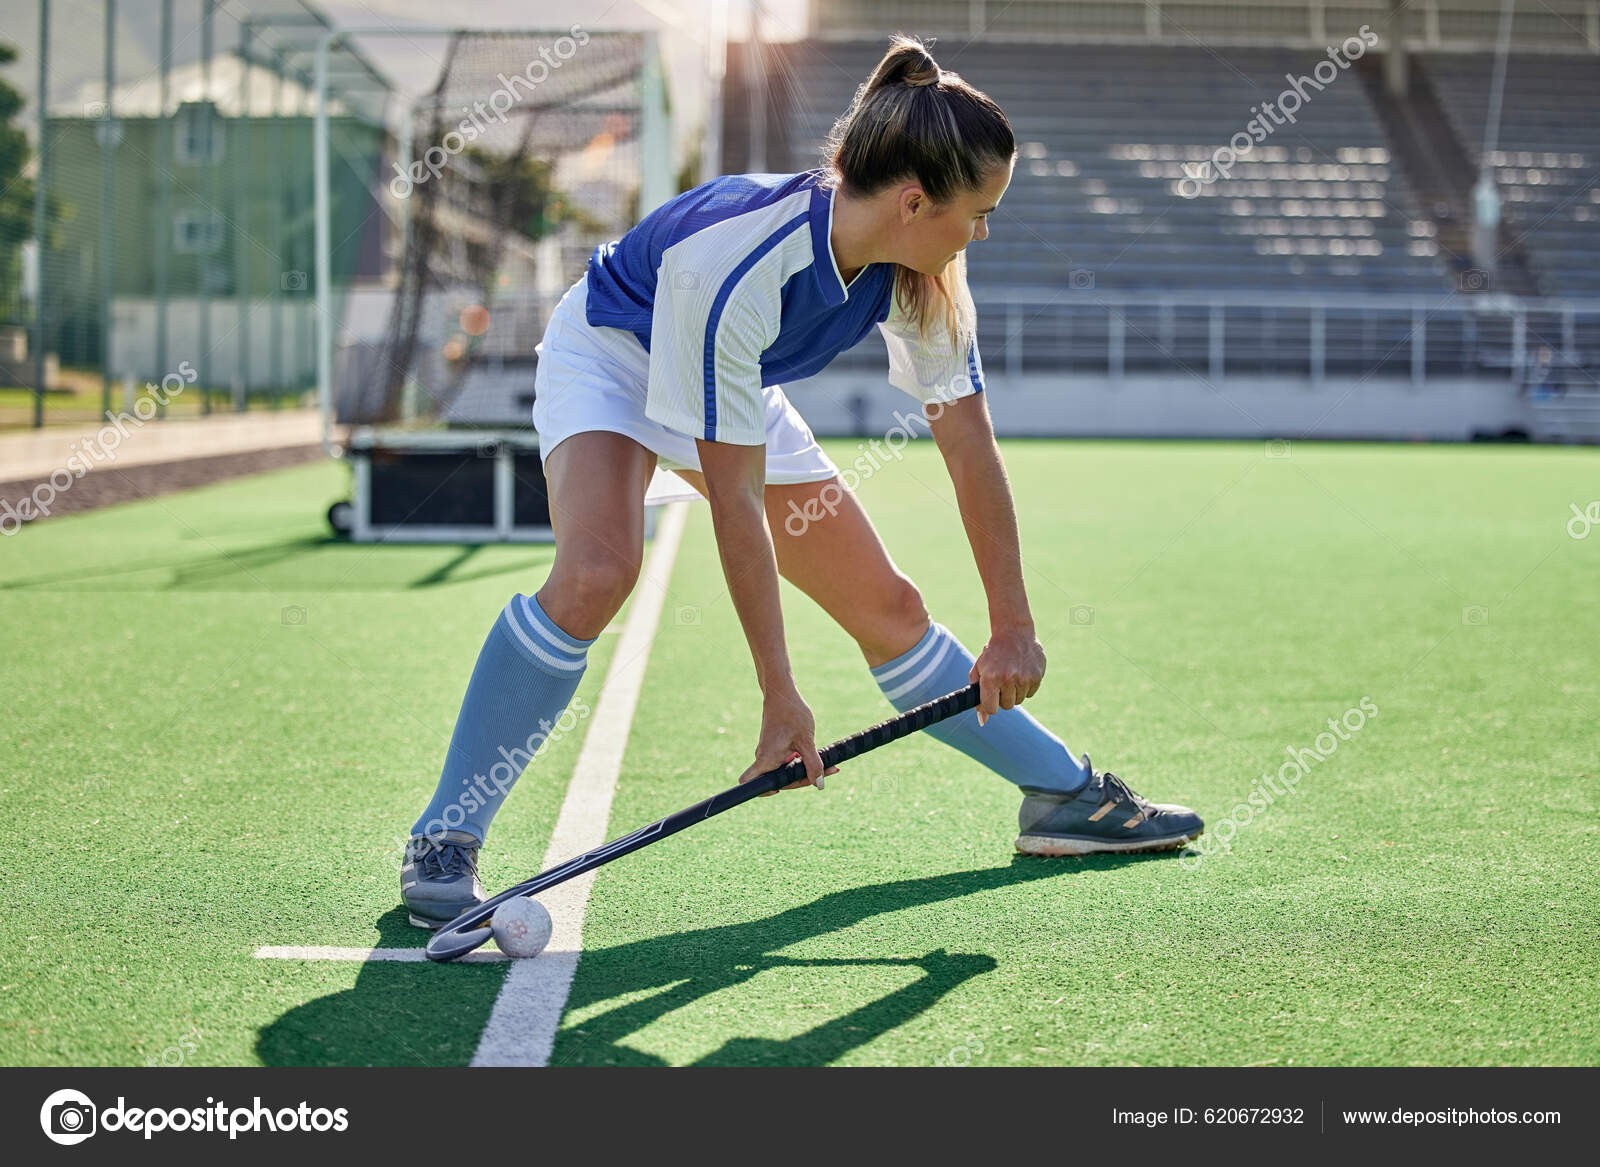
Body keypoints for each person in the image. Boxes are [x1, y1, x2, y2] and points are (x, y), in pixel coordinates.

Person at [401, 36, 1203, 929]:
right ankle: (445, 834)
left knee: (891, 608)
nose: (983, 232)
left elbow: (970, 448)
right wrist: (779, 695)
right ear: (913, 200)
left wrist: (1013, 625)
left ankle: (1066, 798)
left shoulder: (919, 275)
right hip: (614, 352)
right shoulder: (738, 263)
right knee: (597, 571)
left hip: (730, 374)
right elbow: (734, 503)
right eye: (979, 212)